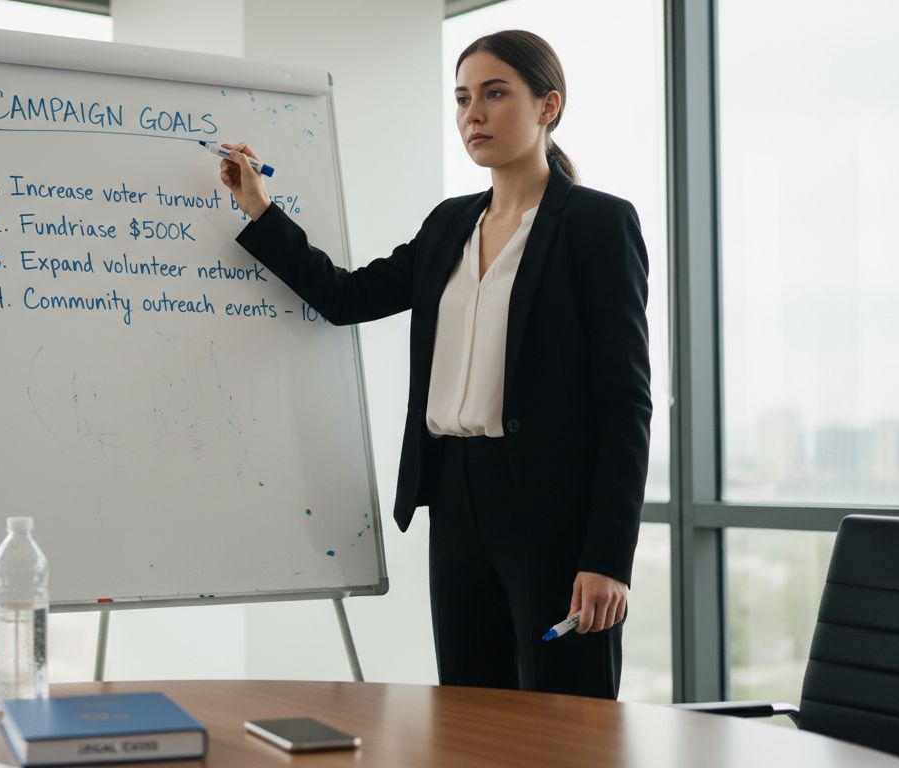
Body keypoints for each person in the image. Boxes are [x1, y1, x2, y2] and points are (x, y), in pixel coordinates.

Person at [218, 30, 650, 699]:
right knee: (470, 713)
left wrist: (608, 558)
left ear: (548, 106)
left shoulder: (598, 224)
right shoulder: (449, 224)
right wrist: (259, 210)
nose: (472, 114)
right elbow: (345, 295)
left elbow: (626, 402)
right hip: (454, 497)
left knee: (568, 723)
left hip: (551, 510)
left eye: (495, 94)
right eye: (461, 99)